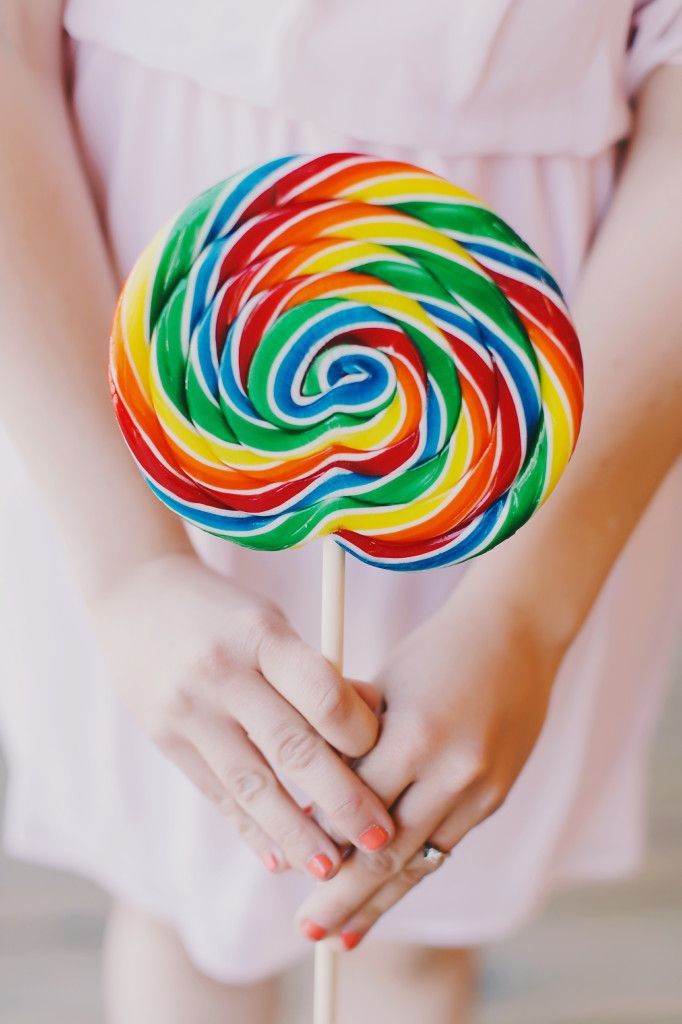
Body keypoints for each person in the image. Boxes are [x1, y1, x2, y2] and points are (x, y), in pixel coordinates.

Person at [1, 2, 680, 1021]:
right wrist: (129, 568)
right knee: (183, 895)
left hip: (523, 391)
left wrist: (522, 614)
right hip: (138, 336)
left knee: (416, 914)